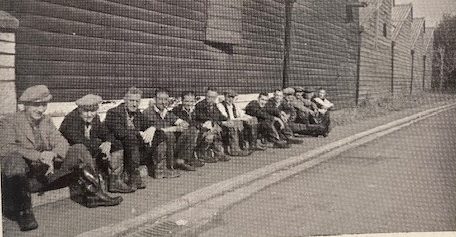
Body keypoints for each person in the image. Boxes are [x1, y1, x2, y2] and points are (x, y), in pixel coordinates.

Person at [0, 85, 122, 231]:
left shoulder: (46, 120)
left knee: (78, 149)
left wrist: (52, 154)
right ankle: (24, 212)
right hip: (24, 180)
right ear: (25, 105)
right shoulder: (9, 121)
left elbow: (62, 143)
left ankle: (95, 194)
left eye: (44, 105)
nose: (40, 109)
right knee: (13, 158)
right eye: (36, 105)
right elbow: (6, 148)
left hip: (47, 174)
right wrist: (39, 156)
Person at [59, 94, 134, 193]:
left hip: (89, 151)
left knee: (116, 144)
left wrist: (108, 142)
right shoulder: (71, 120)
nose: (89, 114)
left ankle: (115, 180)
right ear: (79, 109)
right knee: (91, 147)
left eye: (93, 111)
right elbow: (81, 142)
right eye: (86, 111)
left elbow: (105, 133)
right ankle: (93, 186)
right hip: (71, 157)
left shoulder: (95, 119)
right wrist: (100, 145)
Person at [105, 87, 167, 188]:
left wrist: (152, 128)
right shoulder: (114, 112)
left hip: (135, 150)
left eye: (137, 101)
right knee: (131, 137)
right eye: (131, 101)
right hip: (120, 149)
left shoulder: (137, 113)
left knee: (160, 134)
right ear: (125, 100)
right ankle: (133, 175)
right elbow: (120, 132)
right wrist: (140, 133)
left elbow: (149, 123)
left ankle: (159, 170)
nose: (134, 104)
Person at [143, 88, 199, 177]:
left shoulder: (166, 112)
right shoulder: (148, 112)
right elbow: (157, 131)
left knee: (192, 130)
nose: (163, 102)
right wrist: (174, 128)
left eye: (165, 99)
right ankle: (162, 169)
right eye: (160, 99)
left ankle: (180, 161)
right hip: (152, 146)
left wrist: (182, 124)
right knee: (168, 135)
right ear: (154, 99)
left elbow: (181, 122)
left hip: (167, 144)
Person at [194, 88, 231, 161]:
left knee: (224, 127)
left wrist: (227, 120)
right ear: (205, 96)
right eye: (209, 97)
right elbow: (205, 118)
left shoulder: (214, 105)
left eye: (213, 97)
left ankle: (219, 153)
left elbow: (219, 115)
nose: (211, 99)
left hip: (212, 126)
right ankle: (202, 154)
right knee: (216, 130)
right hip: (202, 127)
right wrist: (221, 123)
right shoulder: (200, 105)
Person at [171, 91, 206, 167]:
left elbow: (202, 120)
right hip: (178, 140)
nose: (189, 104)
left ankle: (193, 156)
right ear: (182, 101)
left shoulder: (194, 110)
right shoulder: (176, 110)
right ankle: (184, 160)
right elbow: (187, 124)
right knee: (192, 130)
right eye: (186, 101)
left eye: (191, 101)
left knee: (204, 130)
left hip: (190, 138)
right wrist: (198, 124)